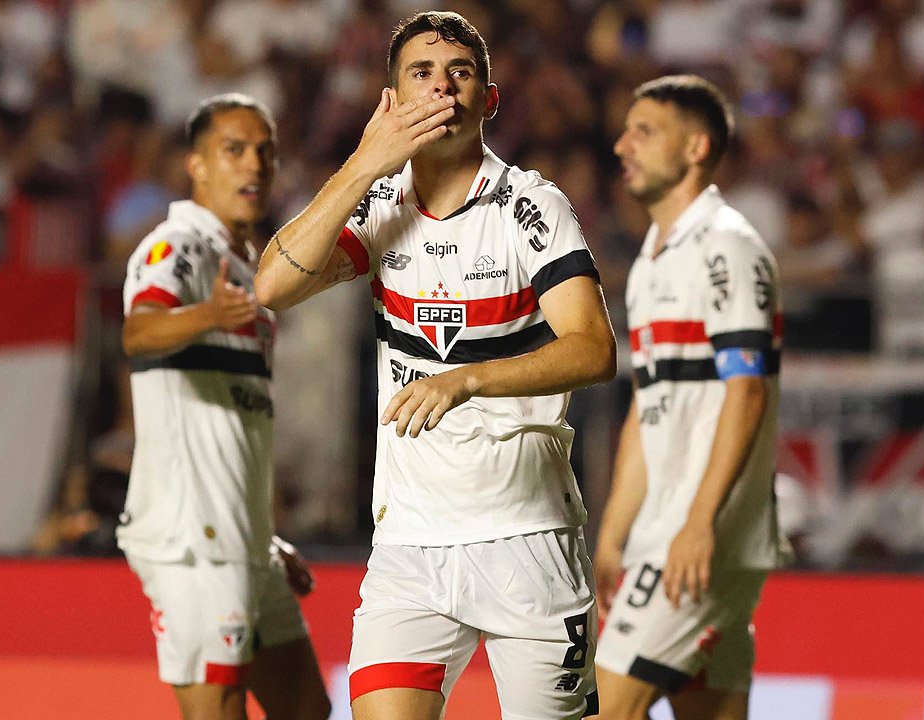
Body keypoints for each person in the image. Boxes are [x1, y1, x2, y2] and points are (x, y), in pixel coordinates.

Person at [252, 11, 616, 720]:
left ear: (489, 99)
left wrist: (466, 379)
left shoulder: (530, 208)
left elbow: (593, 348)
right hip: (410, 548)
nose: (442, 87)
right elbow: (272, 285)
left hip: (527, 540)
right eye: (421, 73)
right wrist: (364, 162)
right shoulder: (380, 206)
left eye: (460, 72)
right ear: (392, 101)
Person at [118, 93, 330, 720]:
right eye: (233, 150)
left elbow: (237, 424)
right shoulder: (177, 246)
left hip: (243, 537)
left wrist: (264, 533)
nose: (254, 165)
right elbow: (138, 332)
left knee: (307, 710)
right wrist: (207, 314)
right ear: (197, 165)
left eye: (265, 152)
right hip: (193, 540)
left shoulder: (247, 269)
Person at [593, 76, 790, 720]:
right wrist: (613, 534)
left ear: (696, 147)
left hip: (701, 533)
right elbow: (648, 410)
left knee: (600, 708)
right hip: (672, 530)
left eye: (644, 131)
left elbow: (747, 391)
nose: (623, 145)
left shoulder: (727, 246)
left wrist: (699, 522)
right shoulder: (651, 261)